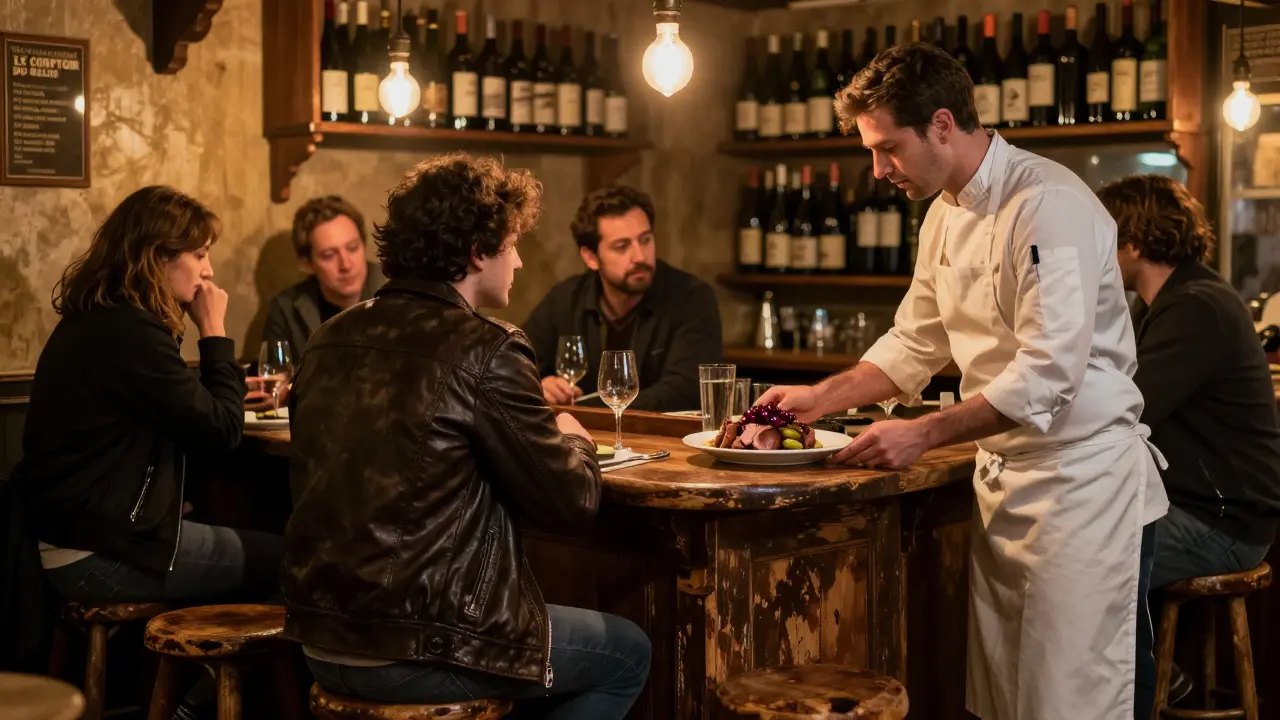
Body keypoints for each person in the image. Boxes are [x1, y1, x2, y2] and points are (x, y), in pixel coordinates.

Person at [757, 43, 1168, 719]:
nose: (878, 168)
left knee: (1076, 702)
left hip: (1083, 493)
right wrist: (818, 398)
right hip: (1008, 488)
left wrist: (925, 433)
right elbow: (917, 340)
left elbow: (1049, 372)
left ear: (943, 125)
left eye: (888, 148)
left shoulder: (1048, 204)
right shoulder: (945, 212)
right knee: (1007, 700)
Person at [283, 153, 651, 719]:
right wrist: (574, 435)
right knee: (627, 653)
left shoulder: (330, 336)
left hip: (318, 640)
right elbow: (573, 501)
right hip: (423, 648)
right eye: (512, 243)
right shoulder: (487, 347)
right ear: (479, 251)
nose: (520, 260)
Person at [13, 185, 285, 602]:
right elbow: (224, 431)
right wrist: (214, 332)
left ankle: (204, 670)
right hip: (98, 557)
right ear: (157, 257)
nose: (208, 270)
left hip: (75, 537)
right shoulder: (131, 332)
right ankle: (236, 669)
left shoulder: (105, 319)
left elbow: (173, 408)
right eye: (199, 254)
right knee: (291, 559)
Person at [1097, 175, 1280, 716]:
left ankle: (1149, 693)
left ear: (1131, 243)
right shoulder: (1174, 301)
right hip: (1207, 509)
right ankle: (1151, 683)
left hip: (1224, 524)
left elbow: (1130, 409)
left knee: (1088, 558)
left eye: (1100, 235)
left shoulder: (1195, 307)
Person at [522, 185, 721, 412]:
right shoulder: (565, 300)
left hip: (662, 441)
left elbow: (684, 391)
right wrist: (539, 385)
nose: (639, 256)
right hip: (583, 439)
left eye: (645, 240)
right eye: (622, 246)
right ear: (590, 258)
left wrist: (589, 408)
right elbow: (512, 368)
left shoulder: (691, 297)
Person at [247, 196, 385, 410]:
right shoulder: (287, 308)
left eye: (352, 247)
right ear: (307, 263)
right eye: (329, 255)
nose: (346, 264)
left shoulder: (397, 292)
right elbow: (275, 380)